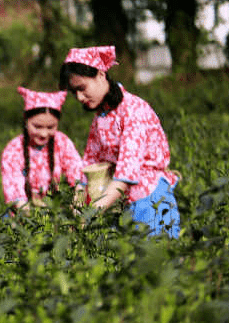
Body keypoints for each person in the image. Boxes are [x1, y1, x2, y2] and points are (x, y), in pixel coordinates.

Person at [59, 45, 180, 237]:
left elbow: (126, 176)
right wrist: (77, 204)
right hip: (118, 203)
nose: (80, 97)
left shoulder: (132, 110)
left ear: (100, 74)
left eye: (82, 88)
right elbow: (89, 164)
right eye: (74, 93)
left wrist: (90, 213)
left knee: (160, 257)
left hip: (150, 201)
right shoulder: (101, 117)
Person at [0, 87, 85, 212]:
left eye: (51, 127)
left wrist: (78, 199)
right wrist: (29, 217)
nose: (44, 134)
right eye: (37, 126)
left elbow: (76, 171)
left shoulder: (62, 142)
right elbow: (13, 188)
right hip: (24, 211)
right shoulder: (13, 150)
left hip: (57, 209)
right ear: (25, 120)